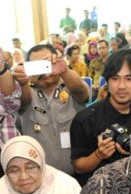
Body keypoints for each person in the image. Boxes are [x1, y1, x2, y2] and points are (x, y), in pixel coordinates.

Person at [70, 49, 131, 186]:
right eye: (115, 78)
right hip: (101, 191)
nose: (121, 86)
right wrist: (99, 155)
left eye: (129, 78)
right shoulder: (85, 119)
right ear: (107, 81)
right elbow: (79, 167)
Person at [18, 44, 88, 176]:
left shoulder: (70, 86)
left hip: (76, 176)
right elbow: (22, 100)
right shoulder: (26, 93)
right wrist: (22, 82)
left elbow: (81, 91)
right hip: (40, 180)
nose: (43, 71)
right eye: (37, 66)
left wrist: (64, 70)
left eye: (46, 63)